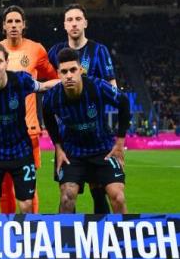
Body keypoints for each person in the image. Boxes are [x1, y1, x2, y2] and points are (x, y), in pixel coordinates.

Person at [0, 43, 59, 213]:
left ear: (6, 63)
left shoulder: (21, 80)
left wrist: (73, 80)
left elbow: (44, 86)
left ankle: (27, 231)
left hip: (21, 150)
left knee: (26, 205)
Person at [48, 3, 117, 214]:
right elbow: (50, 85)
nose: (74, 23)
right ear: (64, 25)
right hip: (69, 137)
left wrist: (109, 124)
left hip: (97, 135)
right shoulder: (55, 52)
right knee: (67, 193)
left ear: (85, 23)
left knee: (99, 191)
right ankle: (67, 233)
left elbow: (112, 87)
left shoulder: (99, 51)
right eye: (70, 20)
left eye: (78, 19)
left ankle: (101, 231)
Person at [42, 48, 130, 213]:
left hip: (103, 149)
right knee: (67, 197)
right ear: (58, 74)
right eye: (64, 72)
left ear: (81, 70)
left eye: (73, 70)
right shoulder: (52, 96)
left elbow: (124, 101)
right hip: (72, 152)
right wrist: (58, 147)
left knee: (118, 196)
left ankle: (121, 231)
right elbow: (47, 117)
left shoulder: (97, 86)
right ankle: (66, 230)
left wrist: (120, 142)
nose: (69, 75)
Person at [0, 5, 58, 214]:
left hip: (28, 130)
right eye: (10, 21)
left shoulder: (36, 49)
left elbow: (54, 77)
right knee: (5, 188)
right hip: (1, 131)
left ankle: (32, 228)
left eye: (17, 21)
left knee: (28, 186)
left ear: (24, 25)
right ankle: (8, 227)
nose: (14, 25)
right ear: (4, 26)